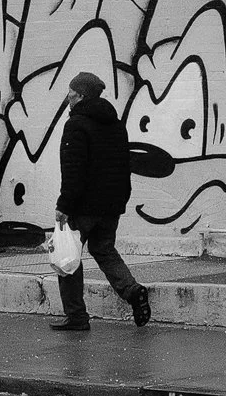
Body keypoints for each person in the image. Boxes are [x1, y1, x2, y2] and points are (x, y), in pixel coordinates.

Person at [49, 72, 153, 332]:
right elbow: (123, 166)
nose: (68, 97)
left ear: (81, 95)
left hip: (83, 206)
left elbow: (73, 170)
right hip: (111, 204)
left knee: (68, 257)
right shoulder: (116, 124)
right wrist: (120, 199)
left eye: (71, 93)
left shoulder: (76, 125)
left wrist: (64, 205)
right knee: (104, 249)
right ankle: (133, 291)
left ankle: (76, 316)